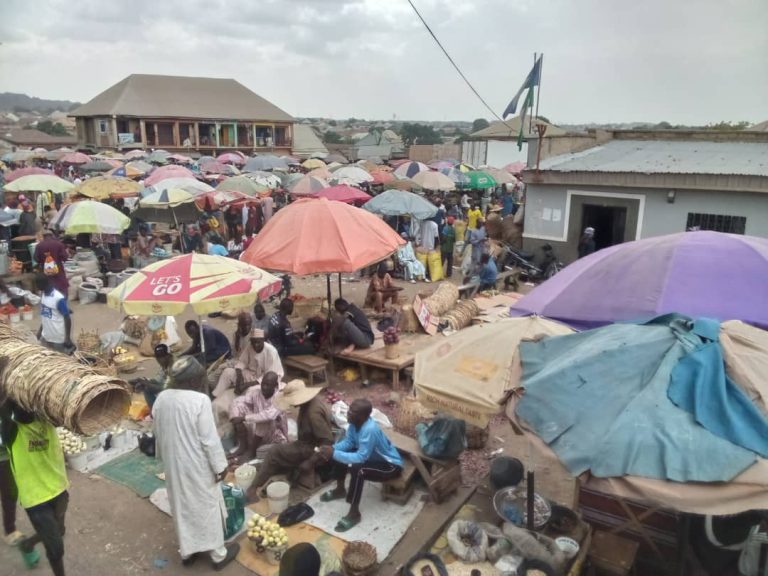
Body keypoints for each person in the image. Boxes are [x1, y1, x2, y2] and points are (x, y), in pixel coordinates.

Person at [152, 356, 240, 570]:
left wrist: (164, 456)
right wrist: (220, 466)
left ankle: (188, 552)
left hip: (174, 463)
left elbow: (157, 431)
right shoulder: (199, 401)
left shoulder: (162, 397)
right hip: (197, 464)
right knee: (207, 504)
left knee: (181, 505)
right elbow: (209, 440)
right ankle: (218, 555)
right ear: (193, 381)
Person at [2, 398, 69, 575]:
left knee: (59, 531)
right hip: (36, 499)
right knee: (55, 546)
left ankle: (27, 544)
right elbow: (5, 405)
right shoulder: (12, 431)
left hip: (60, 489)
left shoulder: (47, 419)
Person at [317, 399, 403, 532]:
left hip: (390, 465)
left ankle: (354, 512)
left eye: (353, 412)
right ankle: (340, 490)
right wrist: (332, 449)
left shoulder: (369, 429)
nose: (349, 414)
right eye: (350, 410)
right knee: (340, 452)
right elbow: (349, 443)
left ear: (364, 416)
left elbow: (361, 457)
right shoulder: (354, 424)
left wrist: (333, 453)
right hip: (373, 459)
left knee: (358, 469)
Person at [250, 380, 334, 498]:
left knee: (274, 452)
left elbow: (327, 441)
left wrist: (311, 461)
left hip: (313, 448)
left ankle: (253, 488)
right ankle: (281, 473)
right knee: (283, 448)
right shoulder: (311, 403)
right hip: (308, 443)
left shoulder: (313, 413)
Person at [212, 329, 284, 426]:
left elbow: (270, 376)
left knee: (252, 390)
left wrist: (246, 385)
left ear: (263, 340)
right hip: (251, 374)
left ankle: (246, 411)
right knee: (227, 372)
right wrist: (239, 378)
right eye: (253, 342)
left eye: (258, 342)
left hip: (266, 380)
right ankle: (215, 396)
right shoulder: (250, 346)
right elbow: (241, 362)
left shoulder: (271, 351)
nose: (255, 345)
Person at [228, 371, 286, 463]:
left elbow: (269, 416)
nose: (264, 387)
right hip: (257, 432)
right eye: (263, 383)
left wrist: (244, 418)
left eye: (268, 385)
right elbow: (241, 402)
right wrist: (237, 417)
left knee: (264, 420)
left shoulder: (279, 398)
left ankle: (251, 451)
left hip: (274, 433)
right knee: (236, 403)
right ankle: (243, 446)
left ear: (275, 386)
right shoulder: (256, 393)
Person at [0, 404, 23, 547]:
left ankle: (10, 530)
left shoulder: (7, 399)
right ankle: (10, 531)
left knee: (10, 493)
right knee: (9, 493)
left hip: (5, 455)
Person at [35, 274, 73, 354]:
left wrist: (67, 338)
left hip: (58, 339)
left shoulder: (58, 298)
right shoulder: (43, 295)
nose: (36, 287)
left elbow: (67, 318)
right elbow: (45, 315)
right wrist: (39, 332)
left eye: (37, 285)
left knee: (61, 362)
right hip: (46, 337)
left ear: (42, 284)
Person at [131, 344, 174, 409]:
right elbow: (158, 380)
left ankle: (155, 413)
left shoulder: (174, 368)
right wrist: (142, 380)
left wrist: (148, 384)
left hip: (176, 393)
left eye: (162, 357)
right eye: (157, 357)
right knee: (145, 385)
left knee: (148, 389)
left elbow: (165, 388)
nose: (159, 360)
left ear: (169, 356)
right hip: (168, 387)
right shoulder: (165, 365)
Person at [34, 229, 69, 296]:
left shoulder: (39, 246)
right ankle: (62, 301)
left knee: (48, 284)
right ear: (52, 236)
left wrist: (44, 261)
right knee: (61, 285)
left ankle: (50, 300)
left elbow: (36, 258)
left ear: (43, 236)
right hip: (58, 269)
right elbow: (65, 257)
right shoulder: (59, 244)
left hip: (46, 270)